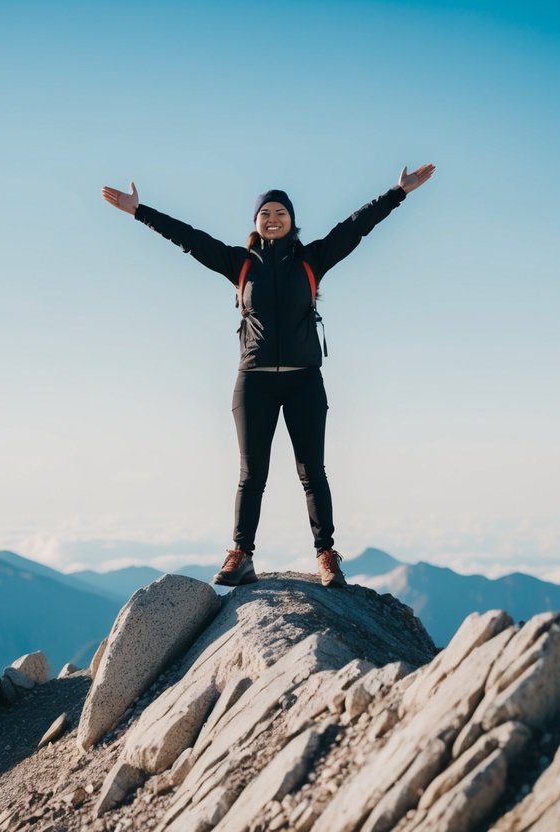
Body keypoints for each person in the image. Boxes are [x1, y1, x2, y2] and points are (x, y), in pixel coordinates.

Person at [101, 164, 436, 588]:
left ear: (292, 220)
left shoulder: (313, 258)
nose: (273, 218)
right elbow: (188, 238)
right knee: (251, 474)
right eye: (265, 214)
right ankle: (241, 555)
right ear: (255, 223)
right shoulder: (238, 263)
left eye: (280, 212)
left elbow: (356, 227)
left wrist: (397, 192)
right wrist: (140, 211)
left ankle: (326, 556)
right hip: (254, 382)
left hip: (304, 381)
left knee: (313, 471)